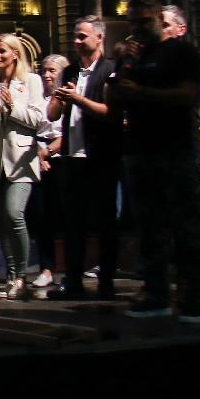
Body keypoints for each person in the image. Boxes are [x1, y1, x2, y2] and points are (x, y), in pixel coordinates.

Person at [108, 0, 200, 321]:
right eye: (132, 23)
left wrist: (143, 93)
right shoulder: (134, 57)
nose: (138, 28)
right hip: (139, 151)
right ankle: (156, 293)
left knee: (185, 226)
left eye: (144, 21)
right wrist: (123, 66)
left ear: (159, 20)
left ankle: (194, 298)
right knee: (149, 228)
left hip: (174, 150)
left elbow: (187, 95)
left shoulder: (181, 52)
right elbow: (115, 100)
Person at [47, 16, 121, 300]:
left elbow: (111, 112)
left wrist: (79, 100)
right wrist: (59, 98)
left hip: (100, 156)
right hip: (72, 156)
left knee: (104, 221)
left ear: (99, 38)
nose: (76, 41)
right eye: (75, 36)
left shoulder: (110, 69)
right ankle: (74, 281)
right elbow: (52, 114)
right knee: (72, 223)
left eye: (82, 36)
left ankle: (107, 282)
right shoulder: (70, 71)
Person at [0, 33, 47, 299]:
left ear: (15, 54)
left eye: (2, 51)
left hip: (21, 161)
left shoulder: (31, 81)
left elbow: (38, 120)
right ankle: (11, 278)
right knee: (3, 222)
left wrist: (12, 106)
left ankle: (22, 275)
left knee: (14, 213)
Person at [27, 53, 68, 290]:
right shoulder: (38, 97)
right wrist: (38, 153)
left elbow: (68, 131)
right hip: (38, 158)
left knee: (65, 215)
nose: (46, 75)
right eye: (44, 70)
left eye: (52, 70)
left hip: (61, 158)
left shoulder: (67, 96)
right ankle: (46, 268)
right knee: (43, 216)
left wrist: (48, 152)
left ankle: (71, 268)